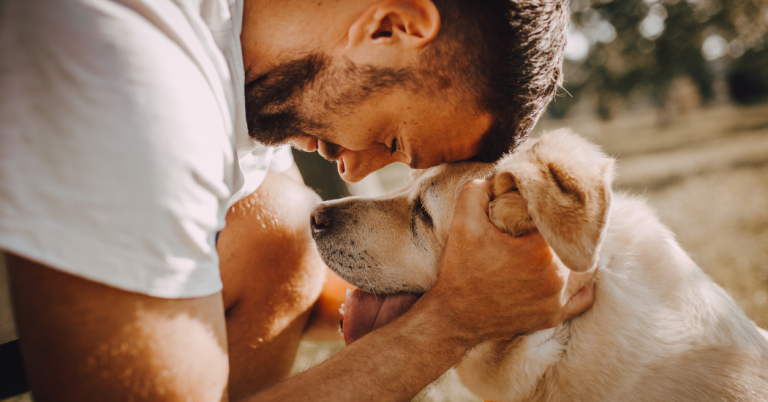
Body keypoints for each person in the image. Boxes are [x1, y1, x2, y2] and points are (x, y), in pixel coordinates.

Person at [0, 0, 595, 401]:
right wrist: (454, 321)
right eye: (392, 139)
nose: (356, 166)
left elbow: (291, 279)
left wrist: (474, 283)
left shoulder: (240, 64)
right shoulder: (135, 72)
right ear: (392, 26)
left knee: (280, 229)